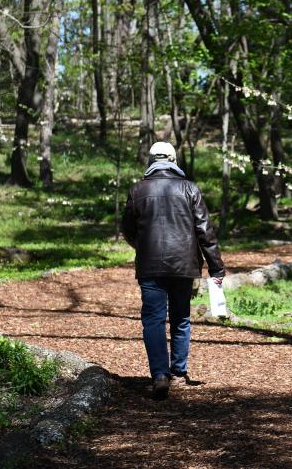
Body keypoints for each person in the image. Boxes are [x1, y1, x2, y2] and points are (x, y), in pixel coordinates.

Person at [121, 141, 226, 400]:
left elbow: (128, 229)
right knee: (180, 318)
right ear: (174, 159)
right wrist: (216, 267)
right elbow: (205, 232)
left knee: (153, 320)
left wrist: (143, 246)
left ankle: (159, 375)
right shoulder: (190, 188)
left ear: (151, 161)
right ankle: (178, 371)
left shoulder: (138, 190)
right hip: (184, 266)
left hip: (150, 267)